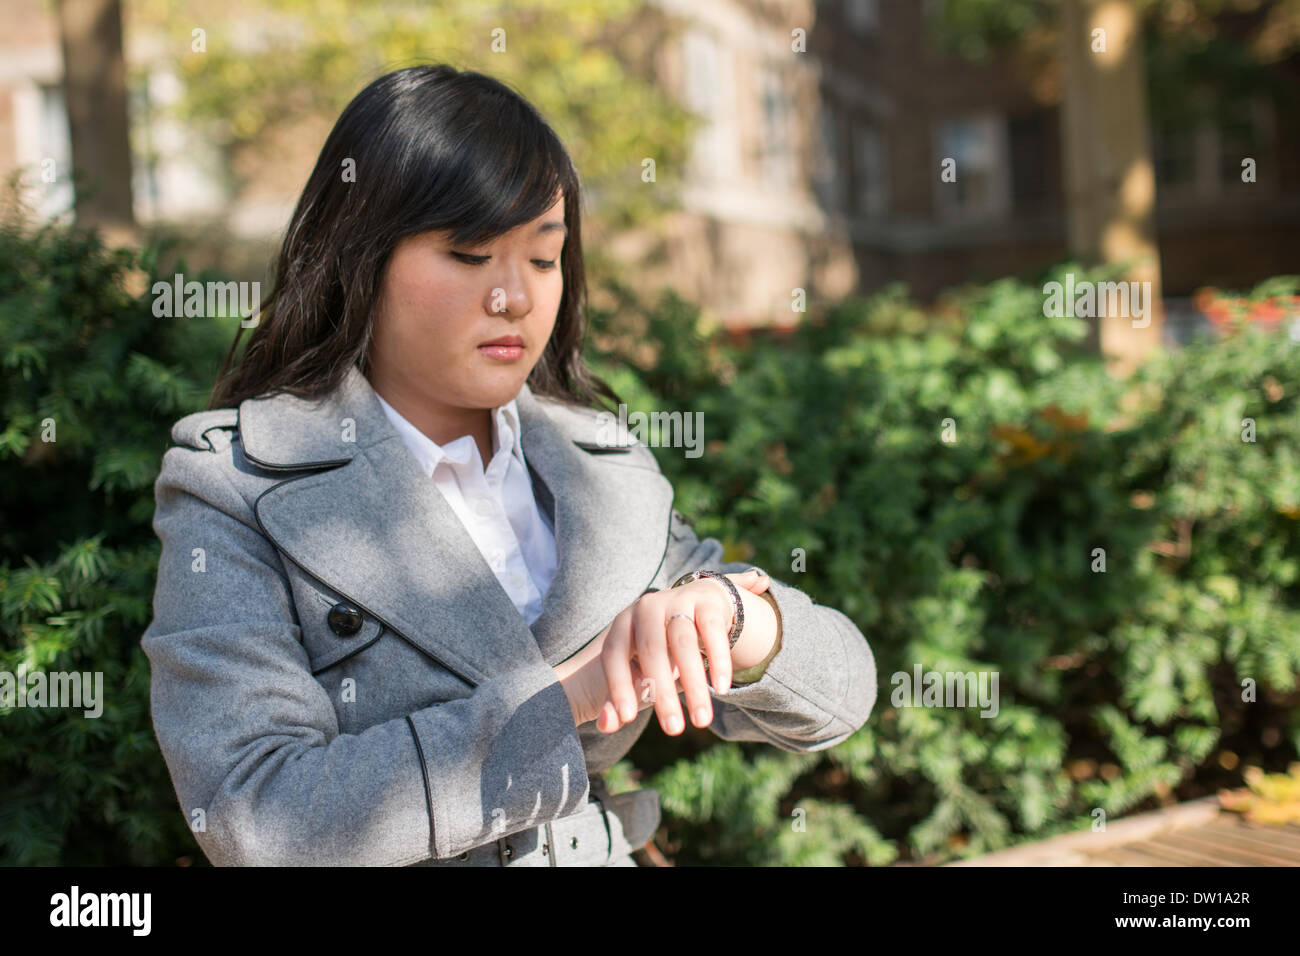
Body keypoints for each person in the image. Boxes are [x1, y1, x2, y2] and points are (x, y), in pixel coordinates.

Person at [142, 63, 878, 867]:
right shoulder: (238, 485)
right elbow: (256, 813)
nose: (515, 299)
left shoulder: (598, 467)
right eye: (468, 254)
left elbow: (839, 696)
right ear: (358, 257)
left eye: (543, 257)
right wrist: (572, 697)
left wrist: (735, 620)